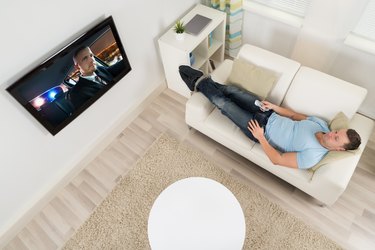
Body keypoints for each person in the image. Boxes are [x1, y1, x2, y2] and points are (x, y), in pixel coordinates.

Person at [179, 65, 361, 169]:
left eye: (336, 138)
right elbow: (294, 115)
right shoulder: (321, 125)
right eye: (336, 131)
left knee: (225, 104)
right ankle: (201, 83)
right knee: (232, 91)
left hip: (260, 130)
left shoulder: (313, 157)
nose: (331, 133)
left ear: (340, 150)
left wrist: (259, 137)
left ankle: (199, 81)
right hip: (269, 113)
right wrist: (273, 106)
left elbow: (278, 160)